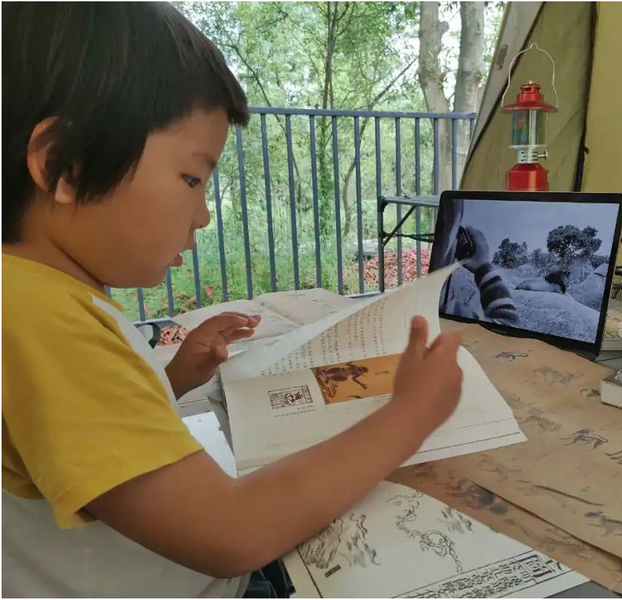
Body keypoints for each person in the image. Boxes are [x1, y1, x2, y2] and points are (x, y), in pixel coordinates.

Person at [2, 3, 463, 597]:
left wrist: (171, 379)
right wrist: (411, 415)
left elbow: (69, 434)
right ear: (66, 165)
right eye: (192, 179)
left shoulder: (33, 296)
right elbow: (232, 531)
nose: (202, 216)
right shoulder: (43, 319)